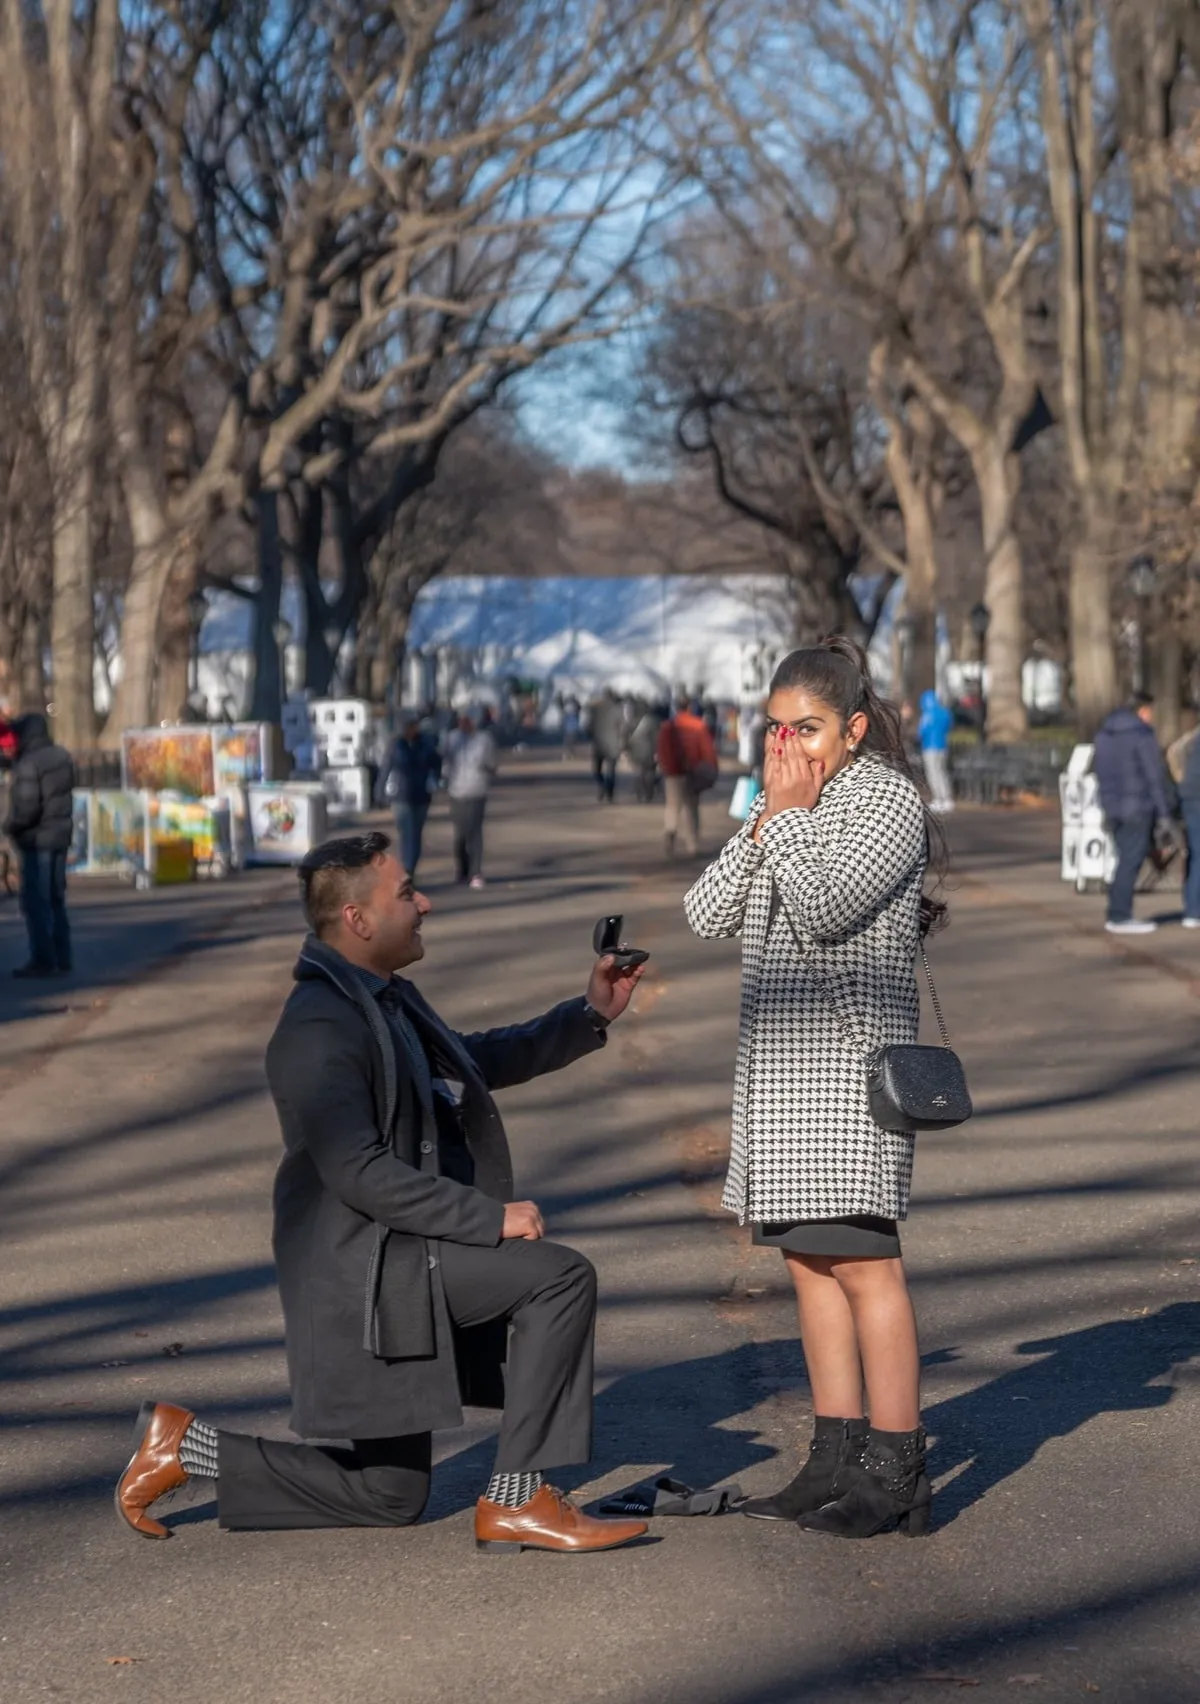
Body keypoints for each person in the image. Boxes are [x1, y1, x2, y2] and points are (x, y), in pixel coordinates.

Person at [115, 831, 650, 1554]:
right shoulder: (317, 1027)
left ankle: (186, 1447)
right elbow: (358, 1171)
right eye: (406, 893)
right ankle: (519, 1499)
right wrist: (487, 1218)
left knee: (389, 1495)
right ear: (358, 921)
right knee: (557, 1278)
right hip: (364, 1276)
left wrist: (587, 1016)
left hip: (400, 1258)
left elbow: (471, 1061)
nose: (424, 902)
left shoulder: (381, 997)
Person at [684, 636, 941, 1538]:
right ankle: (833, 1457)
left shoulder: (887, 801)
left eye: (810, 728)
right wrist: (765, 818)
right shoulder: (786, 801)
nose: (790, 745)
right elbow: (705, 911)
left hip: (846, 1075)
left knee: (868, 1267)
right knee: (809, 1269)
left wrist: (787, 815)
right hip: (778, 1083)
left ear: (855, 728)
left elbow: (829, 906)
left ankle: (900, 1462)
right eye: (776, 728)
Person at [1092, 694, 1172, 936]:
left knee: (1123, 859)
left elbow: (1100, 771)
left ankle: (1117, 912)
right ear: (1142, 711)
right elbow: (1153, 777)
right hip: (1137, 806)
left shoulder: (1103, 735)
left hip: (1113, 805)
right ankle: (1120, 915)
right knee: (1131, 860)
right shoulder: (1142, 736)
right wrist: (1164, 814)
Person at [2, 712, 75, 979]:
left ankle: (43, 958)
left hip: (36, 839)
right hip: (60, 835)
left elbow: (26, 807)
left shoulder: (28, 764)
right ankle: (63, 955)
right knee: (56, 898)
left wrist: (10, 826)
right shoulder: (60, 756)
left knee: (35, 901)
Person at [657, 699, 719, 859]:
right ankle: (692, 844)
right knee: (692, 808)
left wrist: (667, 769)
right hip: (693, 771)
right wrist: (712, 767)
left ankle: (670, 836)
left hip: (673, 774)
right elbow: (707, 749)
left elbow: (662, 750)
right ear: (690, 707)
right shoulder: (697, 725)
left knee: (672, 807)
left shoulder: (668, 727)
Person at [381, 716, 441, 881]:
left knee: (416, 834)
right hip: (401, 796)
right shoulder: (396, 745)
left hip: (421, 795)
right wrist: (379, 792)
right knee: (406, 833)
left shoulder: (426, 744)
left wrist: (435, 779)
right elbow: (386, 767)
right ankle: (406, 869)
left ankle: (411, 867)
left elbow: (436, 763)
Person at [443, 711, 496, 889]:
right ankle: (462, 870)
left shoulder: (484, 740)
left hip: (477, 790)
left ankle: (476, 871)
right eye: (462, 719)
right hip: (456, 791)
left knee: (475, 832)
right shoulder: (451, 739)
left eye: (469, 719)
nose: (465, 722)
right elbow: (445, 761)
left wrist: (486, 768)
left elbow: (492, 764)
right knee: (460, 833)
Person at [1176, 727, 1200, 929]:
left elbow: (1174, 751)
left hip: (1191, 797)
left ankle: (1192, 907)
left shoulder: (1194, 738)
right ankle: (1194, 910)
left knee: (1195, 854)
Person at [917, 689, 955, 815]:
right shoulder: (944, 713)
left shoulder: (927, 715)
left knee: (933, 773)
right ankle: (947, 798)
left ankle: (939, 798)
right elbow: (949, 726)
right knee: (942, 772)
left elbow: (922, 731)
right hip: (942, 746)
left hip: (929, 746)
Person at [589, 688, 625, 803]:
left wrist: (592, 736)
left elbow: (589, 727)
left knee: (597, 770)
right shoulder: (618, 709)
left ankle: (602, 785)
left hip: (599, 744)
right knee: (611, 770)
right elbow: (622, 727)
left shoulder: (595, 709)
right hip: (613, 745)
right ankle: (609, 792)